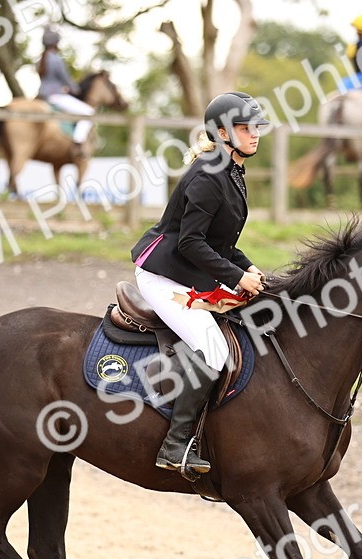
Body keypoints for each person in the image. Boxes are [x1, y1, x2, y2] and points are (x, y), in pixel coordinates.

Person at [130, 92, 269, 475]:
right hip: (162, 274)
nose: (254, 134)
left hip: (187, 268)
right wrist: (236, 276)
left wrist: (248, 267)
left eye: (256, 126)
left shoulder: (231, 169)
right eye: (245, 128)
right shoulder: (210, 175)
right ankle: (175, 446)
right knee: (212, 350)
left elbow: (221, 242)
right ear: (222, 133)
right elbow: (191, 242)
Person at [35, 26, 93, 158]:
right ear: (56, 43)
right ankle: (78, 142)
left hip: (41, 95)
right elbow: (65, 79)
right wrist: (75, 89)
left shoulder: (40, 60)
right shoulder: (56, 59)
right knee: (89, 113)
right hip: (55, 96)